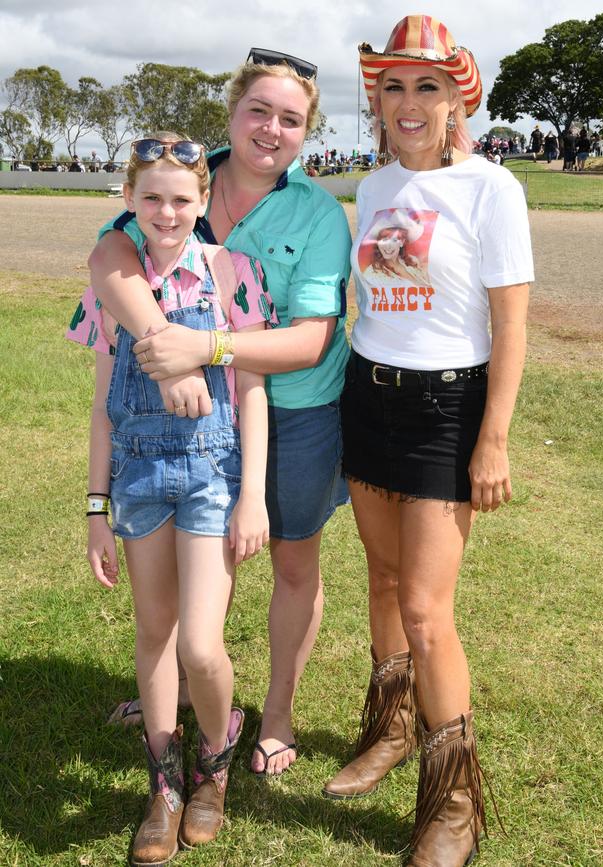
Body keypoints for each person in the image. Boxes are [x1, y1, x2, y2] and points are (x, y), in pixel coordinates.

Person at [87, 50, 351, 776]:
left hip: (290, 408)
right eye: (258, 111)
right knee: (187, 563)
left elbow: (309, 338)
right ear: (233, 112)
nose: (271, 129)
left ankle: (276, 713)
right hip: (187, 427)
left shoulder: (319, 212)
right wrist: (157, 343)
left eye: (290, 119)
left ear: (307, 132)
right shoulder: (183, 178)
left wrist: (201, 348)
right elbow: (110, 254)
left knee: (292, 560)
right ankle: (176, 688)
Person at [322, 15, 534, 867]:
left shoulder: (492, 188)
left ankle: (453, 801)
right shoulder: (372, 190)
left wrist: (495, 439)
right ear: (377, 100)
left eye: (427, 86)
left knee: (425, 609)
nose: (408, 103)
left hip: (448, 411)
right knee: (378, 578)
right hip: (367, 398)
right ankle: (390, 728)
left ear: (456, 99)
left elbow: (511, 326)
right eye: (393, 86)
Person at [68, 132, 278, 865]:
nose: (166, 212)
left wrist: (252, 495)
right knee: (155, 633)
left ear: (202, 203)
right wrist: (96, 507)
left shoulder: (231, 272)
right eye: (150, 198)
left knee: (199, 643)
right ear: (128, 200)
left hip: (212, 475)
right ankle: (163, 784)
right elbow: (102, 403)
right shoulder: (110, 282)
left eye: (181, 199)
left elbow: (251, 391)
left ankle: (213, 761)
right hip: (136, 476)